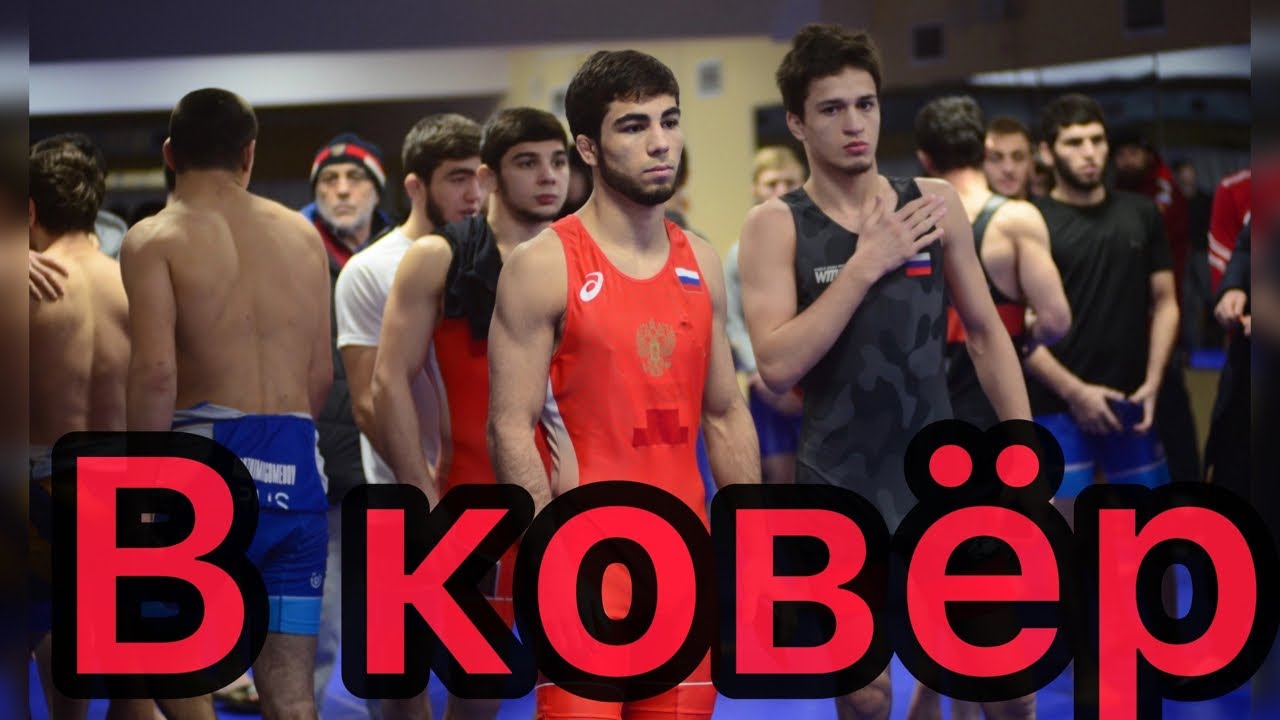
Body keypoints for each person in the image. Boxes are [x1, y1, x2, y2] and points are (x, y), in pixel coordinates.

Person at [738, 25, 1031, 720]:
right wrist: (866, 263)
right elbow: (776, 365)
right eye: (832, 108)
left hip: (941, 476)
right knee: (866, 694)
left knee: (1006, 679)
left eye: (865, 104)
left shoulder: (932, 204)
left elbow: (986, 334)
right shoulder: (775, 225)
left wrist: (1023, 450)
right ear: (797, 122)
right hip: (838, 483)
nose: (854, 124)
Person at [487, 49, 760, 720]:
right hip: (583, 567)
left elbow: (725, 413)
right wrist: (549, 557)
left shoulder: (701, 261)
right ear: (588, 147)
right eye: (634, 126)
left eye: (669, 120)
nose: (660, 141)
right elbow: (510, 426)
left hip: (684, 566)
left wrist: (753, 545)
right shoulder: (543, 265)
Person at [119, 88, 333, 720]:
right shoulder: (303, 235)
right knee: (292, 697)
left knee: (174, 664)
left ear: (169, 154)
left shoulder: (153, 238)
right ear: (248, 154)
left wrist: (141, 489)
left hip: (202, 471)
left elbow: (156, 374)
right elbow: (321, 374)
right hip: (296, 464)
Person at [371, 106, 568, 719]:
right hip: (472, 504)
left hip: (569, 499)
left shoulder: (580, 257)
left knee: (579, 686)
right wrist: (419, 493)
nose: (548, 176)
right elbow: (387, 381)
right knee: (477, 694)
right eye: (527, 162)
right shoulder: (438, 257)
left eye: (559, 161)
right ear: (490, 176)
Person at [1023, 94, 1179, 518]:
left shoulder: (1141, 214)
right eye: (1074, 142)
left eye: (1097, 139)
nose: (1089, 152)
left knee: (1147, 532)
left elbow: (1166, 303)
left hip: (1131, 403)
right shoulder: (1029, 222)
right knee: (1059, 535)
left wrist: (1153, 383)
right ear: (1047, 152)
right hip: (1056, 406)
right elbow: (1017, 330)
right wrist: (1076, 393)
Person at [28, 143, 131, 720]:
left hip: (42, 479)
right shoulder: (133, 285)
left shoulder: (22, 285)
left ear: (28, 210)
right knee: (119, 656)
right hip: (122, 481)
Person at [296, 131, 393, 715]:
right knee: (318, 622)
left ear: (377, 190)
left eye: (354, 178)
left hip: (389, 457)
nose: (341, 189)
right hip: (320, 467)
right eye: (329, 180)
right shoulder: (294, 252)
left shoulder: (405, 252)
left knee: (389, 624)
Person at [916, 95, 1072, 430]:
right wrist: (1025, 334)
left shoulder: (905, 222)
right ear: (985, 150)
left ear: (925, 159)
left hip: (924, 416)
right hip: (996, 410)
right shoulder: (1015, 220)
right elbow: (1056, 320)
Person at [724, 146, 807, 485]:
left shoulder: (817, 245)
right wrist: (760, 375)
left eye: (789, 182)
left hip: (815, 384)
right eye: (771, 183)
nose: (780, 191)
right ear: (755, 189)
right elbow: (732, 321)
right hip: (766, 385)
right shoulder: (738, 253)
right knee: (778, 478)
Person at [982, 116, 1035, 201]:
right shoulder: (964, 208)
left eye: (1018, 158)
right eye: (995, 159)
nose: (1008, 169)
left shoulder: (1046, 209)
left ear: (1031, 163)